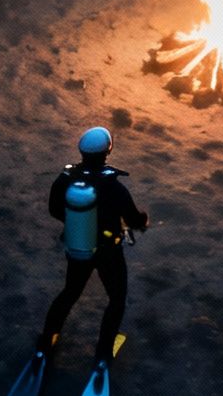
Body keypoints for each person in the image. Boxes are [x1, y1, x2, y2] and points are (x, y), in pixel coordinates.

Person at [34, 126, 149, 366]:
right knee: (116, 298)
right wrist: (142, 221)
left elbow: (55, 209)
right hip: (108, 251)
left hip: (79, 245)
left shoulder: (66, 178)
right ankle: (103, 354)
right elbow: (133, 220)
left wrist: (77, 223)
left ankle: (47, 340)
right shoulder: (114, 186)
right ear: (108, 151)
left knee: (70, 292)